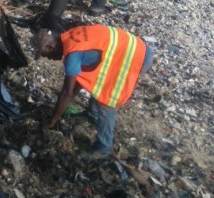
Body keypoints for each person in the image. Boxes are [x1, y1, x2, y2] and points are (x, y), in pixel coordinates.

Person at [33, 24, 152, 158]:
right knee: (95, 81)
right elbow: (78, 81)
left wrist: (52, 120)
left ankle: (104, 147)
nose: (48, 58)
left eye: (45, 54)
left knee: (106, 98)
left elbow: (68, 92)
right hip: (135, 47)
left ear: (50, 47)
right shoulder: (71, 35)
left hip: (135, 58)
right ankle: (92, 114)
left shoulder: (73, 54)